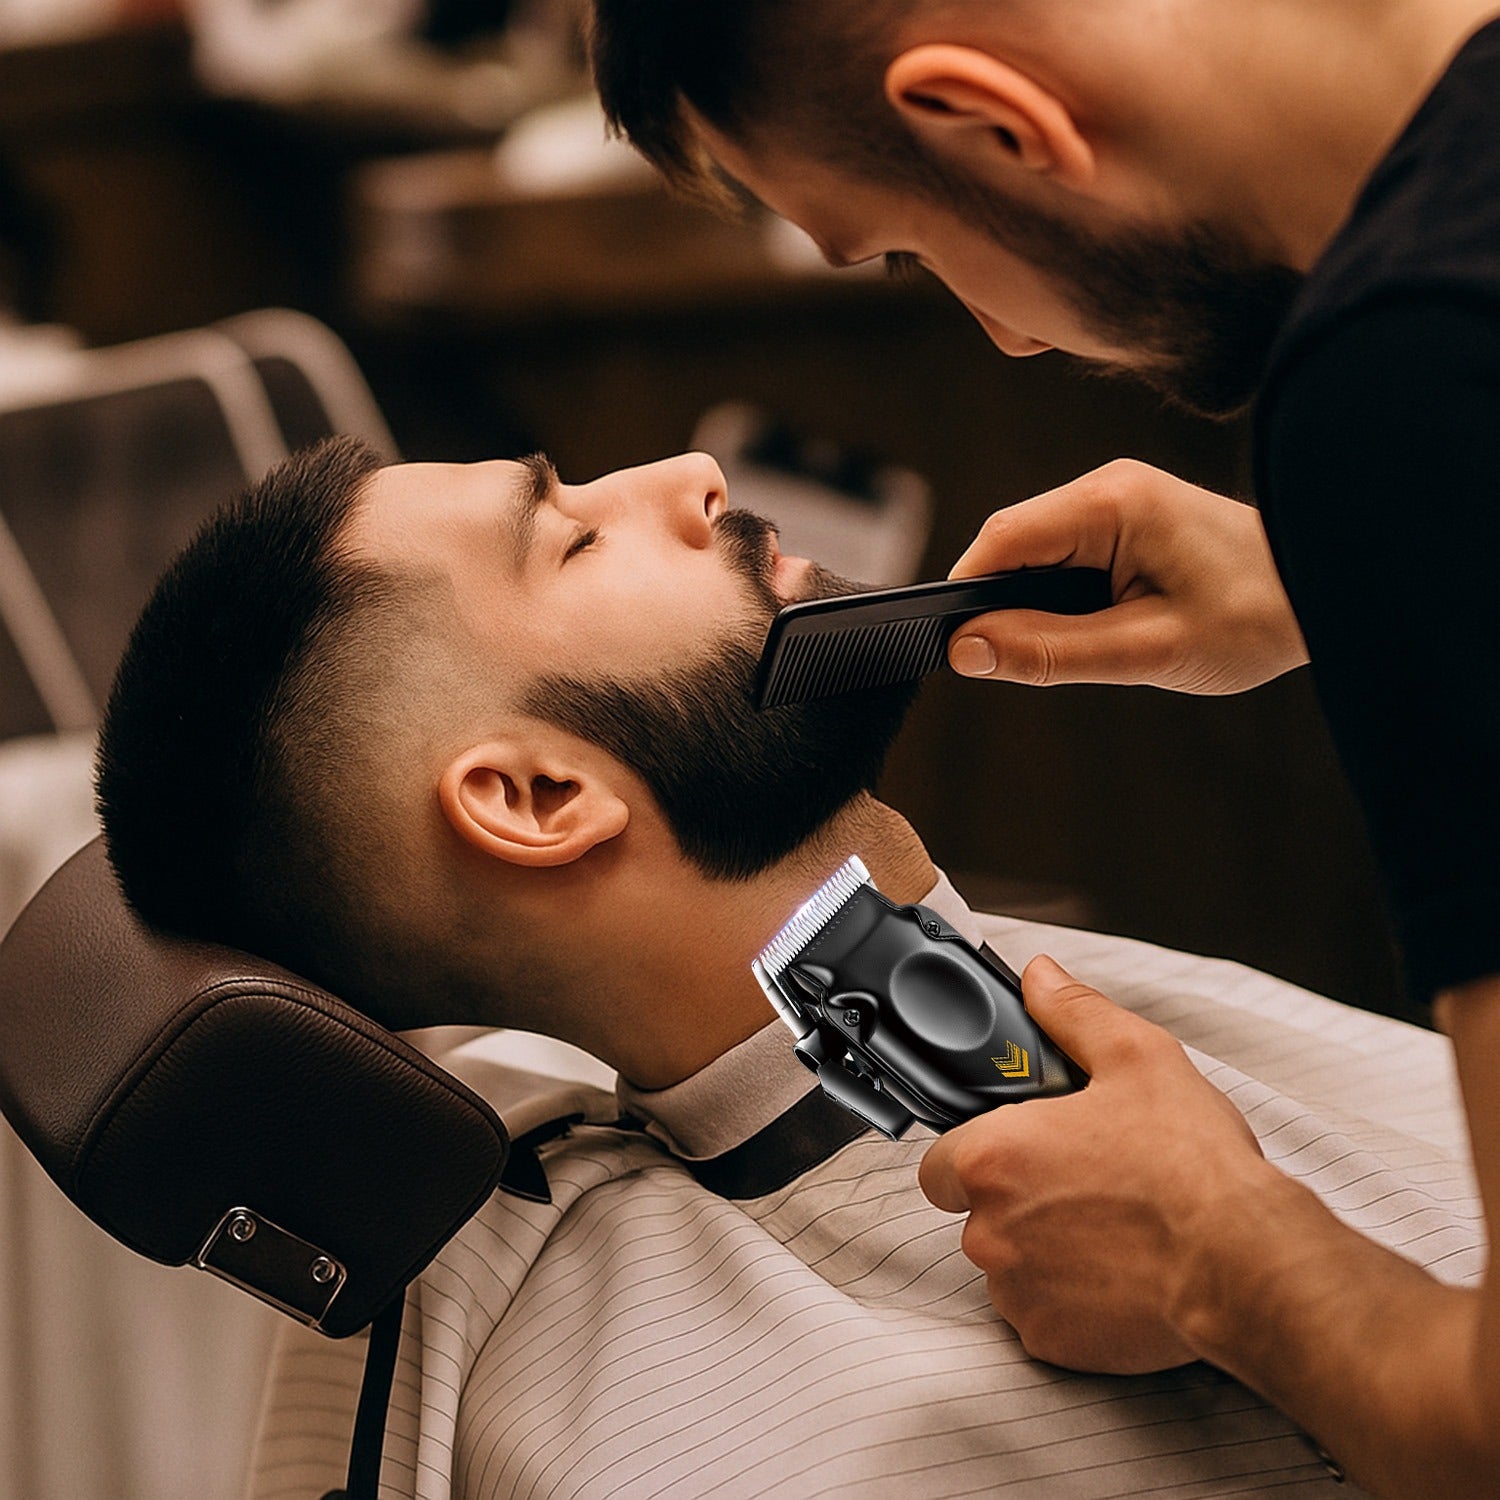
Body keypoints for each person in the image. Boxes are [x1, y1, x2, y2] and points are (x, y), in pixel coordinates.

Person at [97, 438, 1481, 1499]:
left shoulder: (945, 1011)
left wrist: (1353, 594)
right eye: (570, 537)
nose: (694, 474)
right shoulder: (672, 1407)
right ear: (531, 796)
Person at [583, 2, 1500, 1493]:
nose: (1002, 331)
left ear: (995, 122)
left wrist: (1219, 1256)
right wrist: (1371, 579)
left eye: (905, 245)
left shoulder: (1409, 383)